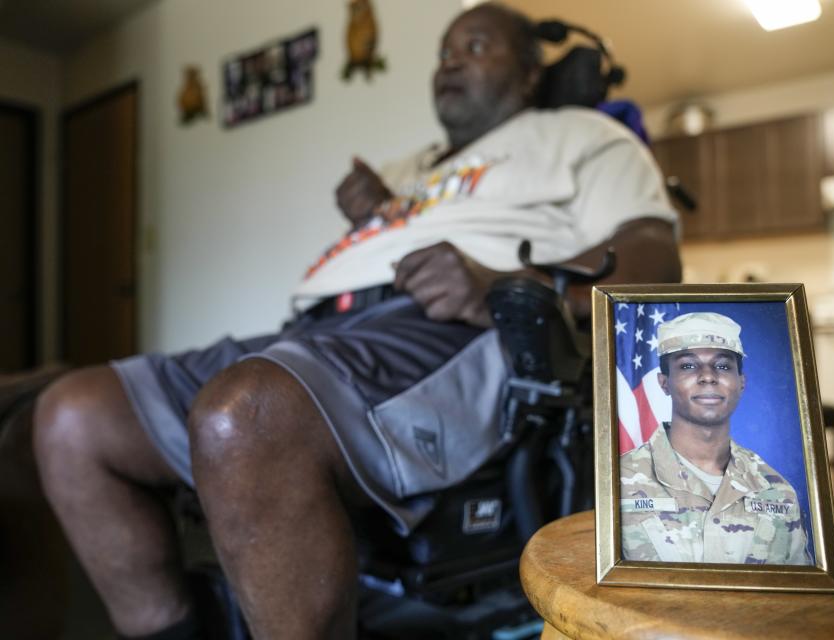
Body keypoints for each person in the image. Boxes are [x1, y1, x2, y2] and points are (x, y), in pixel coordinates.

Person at [33, 3, 681, 639]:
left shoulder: (584, 136)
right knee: (73, 418)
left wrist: (502, 286)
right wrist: (386, 211)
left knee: (248, 414)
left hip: (448, 324)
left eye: (475, 47)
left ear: (529, 73)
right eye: (444, 52)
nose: (450, 62)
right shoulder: (407, 170)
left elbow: (654, 262)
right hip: (318, 331)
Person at [620, 312, 812, 565]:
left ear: (741, 382)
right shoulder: (618, 481)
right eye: (688, 365)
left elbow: (798, 596)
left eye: (722, 366)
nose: (708, 376)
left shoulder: (776, 490)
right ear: (664, 383)